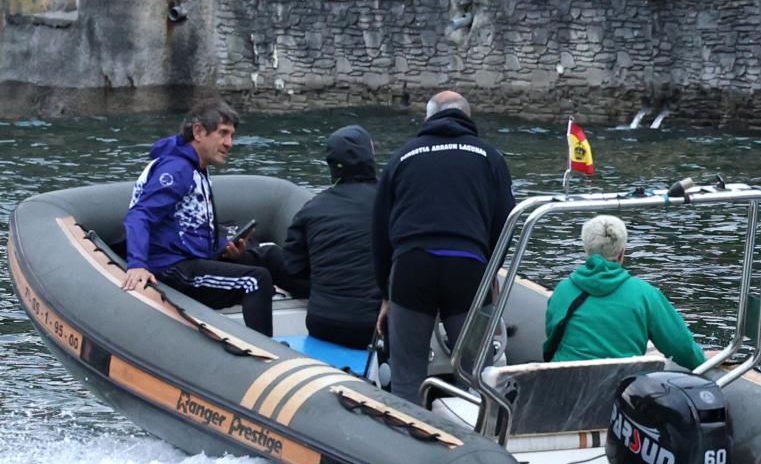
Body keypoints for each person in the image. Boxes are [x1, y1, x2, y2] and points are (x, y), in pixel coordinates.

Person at [373, 92, 514, 405]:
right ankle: (475, 439)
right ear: (468, 116)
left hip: (412, 265)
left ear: (427, 118)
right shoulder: (489, 157)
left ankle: (406, 441)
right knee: (475, 373)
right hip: (467, 266)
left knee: (407, 376)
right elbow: (505, 221)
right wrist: (489, 268)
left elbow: (381, 231)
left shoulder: (402, 157)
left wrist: (385, 293)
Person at [122, 100, 275, 336]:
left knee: (260, 259)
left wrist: (224, 248)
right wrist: (137, 265)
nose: (229, 143)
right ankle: (267, 355)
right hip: (170, 266)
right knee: (255, 281)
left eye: (232, 135)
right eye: (223, 134)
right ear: (198, 132)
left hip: (188, 256)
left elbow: (188, 224)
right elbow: (140, 215)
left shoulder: (196, 167)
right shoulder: (177, 170)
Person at [269, 125, 384, 348]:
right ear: (369, 159)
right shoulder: (392, 204)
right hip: (374, 325)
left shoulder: (311, 209)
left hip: (323, 323)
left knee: (267, 253)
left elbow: (294, 267)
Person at [544, 215, 706, 369]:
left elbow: (551, 342)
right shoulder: (645, 295)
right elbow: (682, 349)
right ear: (622, 252)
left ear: (587, 249)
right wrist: (703, 363)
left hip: (562, 388)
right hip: (619, 390)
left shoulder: (563, 290)